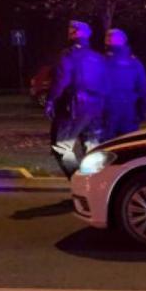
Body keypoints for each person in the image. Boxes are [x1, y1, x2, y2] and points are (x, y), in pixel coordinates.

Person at [45, 20, 107, 178]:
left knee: (61, 146)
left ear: (75, 34)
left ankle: (77, 180)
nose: (69, 33)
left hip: (75, 106)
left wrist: (51, 100)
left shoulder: (69, 55)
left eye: (71, 31)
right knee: (92, 147)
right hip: (95, 107)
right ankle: (96, 180)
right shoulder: (97, 57)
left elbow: (61, 80)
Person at [103, 28, 146, 141]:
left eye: (111, 37)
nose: (109, 39)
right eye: (108, 37)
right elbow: (143, 88)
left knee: (110, 145)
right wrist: (142, 111)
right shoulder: (134, 62)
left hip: (112, 110)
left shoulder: (102, 61)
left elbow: (142, 88)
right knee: (127, 142)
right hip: (126, 109)